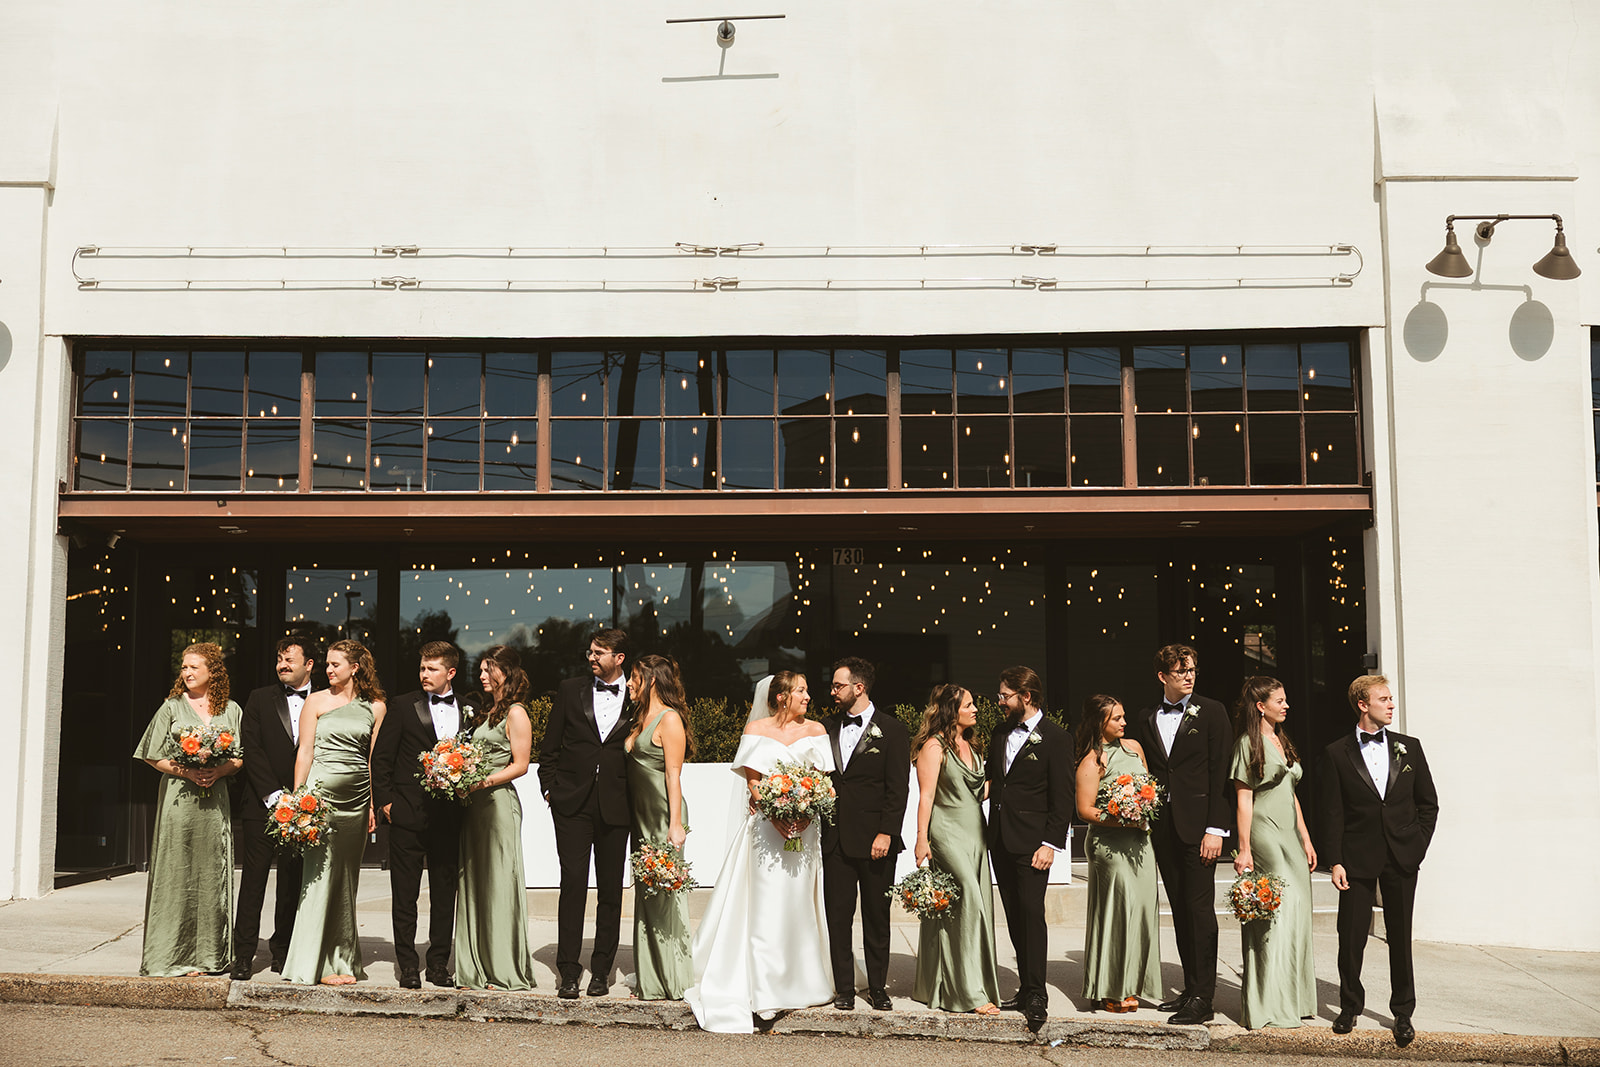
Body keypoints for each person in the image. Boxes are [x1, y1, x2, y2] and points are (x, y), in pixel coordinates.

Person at [684, 672, 835, 1033]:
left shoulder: (815, 731)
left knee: (798, 901)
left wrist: (803, 811)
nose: (808, 696)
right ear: (781, 696)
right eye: (801, 690)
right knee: (766, 902)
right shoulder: (756, 731)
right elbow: (753, 782)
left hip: (804, 830)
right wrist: (774, 812)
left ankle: (800, 978)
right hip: (767, 830)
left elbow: (823, 782)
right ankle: (763, 984)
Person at [1319, 674, 1438, 1049]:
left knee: (1400, 937)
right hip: (1356, 858)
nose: (1391, 704)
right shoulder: (1336, 753)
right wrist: (1335, 860)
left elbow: (1428, 804)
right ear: (1362, 704)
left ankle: (1403, 1012)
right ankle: (1349, 1005)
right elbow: (1332, 813)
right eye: (1383, 699)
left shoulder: (1410, 748)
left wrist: (1417, 846)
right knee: (1350, 937)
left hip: (1402, 856)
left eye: (1390, 698)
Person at [1126, 643, 1232, 1025]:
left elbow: (1221, 773)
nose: (1188, 676)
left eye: (1192, 670)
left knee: (1200, 911)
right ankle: (1190, 988)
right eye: (1180, 671)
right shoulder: (1145, 717)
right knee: (1181, 911)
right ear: (1162, 676)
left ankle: (1204, 997)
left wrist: (1216, 828)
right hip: (1163, 828)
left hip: (1201, 827)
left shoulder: (1213, 711)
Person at [371, 640, 480, 989]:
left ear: (450, 672)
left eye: (432, 669)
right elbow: (382, 757)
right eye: (422, 668)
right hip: (406, 813)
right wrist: (386, 804)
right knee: (405, 894)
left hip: (450, 816)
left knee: (445, 893)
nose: (424, 674)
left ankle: (438, 965)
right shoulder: (402, 705)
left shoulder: (469, 708)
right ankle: (407, 965)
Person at [133, 642, 244, 977]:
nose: (187, 673)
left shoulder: (231, 710)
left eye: (194, 667)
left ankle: (209, 956)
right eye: (184, 667)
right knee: (176, 871)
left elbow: (239, 757)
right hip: (179, 802)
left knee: (211, 874)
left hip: (214, 805)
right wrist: (187, 771)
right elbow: (152, 754)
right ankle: (169, 956)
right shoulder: (170, 708)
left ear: (213, 671)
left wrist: (220, 770)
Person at [280, 639, 386, 985]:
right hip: (320, 799)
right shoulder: (316, 701)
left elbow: (372, 760)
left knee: (346, 880)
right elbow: (305, 752)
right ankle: (315, 962)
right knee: (320, 876)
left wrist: (371, 805)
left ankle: (342, 959)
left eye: (336, 664)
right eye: (326, 664)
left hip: (356, 802)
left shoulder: (377, 706)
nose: (328, 670)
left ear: (355, 668)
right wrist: (298, 801)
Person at [538, 628, 634, 999]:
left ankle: (601, 971)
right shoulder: (569, 689)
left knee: (611, 890)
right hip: (571, 804)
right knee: (572, 884)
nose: (591, 658)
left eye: (599, 653)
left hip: (617, 804)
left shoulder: (639, 695)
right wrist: (550, 788)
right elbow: (551, 746)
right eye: (590, 652)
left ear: (619, 658)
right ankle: (567, 970)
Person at [985, 665, 1073, 1033]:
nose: (1000, 702)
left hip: (1034, 843)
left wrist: (1051, 843)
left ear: (1027, 697)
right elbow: (993, 780)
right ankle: (1023, 986)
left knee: (1032, 915)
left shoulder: (1056, 737)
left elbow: (1063, 796)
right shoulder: (1000, 731)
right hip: (1001, 839)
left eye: (1005, 696)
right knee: (1015, 916)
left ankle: (1037, 993)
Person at [822, 657, 910, 1011]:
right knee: (838, 917)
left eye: (837, 685)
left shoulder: (892, 729)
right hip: (834, 840)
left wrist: (887, 832)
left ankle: (877, 987)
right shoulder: (825, 727)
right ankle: (844, 988)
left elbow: (897, 788)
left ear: (859, 688)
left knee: (877, 916)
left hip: (876, 840)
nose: (832, 691)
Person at [1230, 676, 1317, 1029]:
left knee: (1298, 914)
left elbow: (1291, 794)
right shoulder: (1246, 744)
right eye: (1279, 701)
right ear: (1260, 706)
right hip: (1265, 833)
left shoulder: (1281, 740)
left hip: (1290, 835)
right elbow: (1243, 799)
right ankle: (1268, 1003)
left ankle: (1293, 999)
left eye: (1285, 700)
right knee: (1276, 916)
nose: (1286, 705)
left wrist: (1307, 839)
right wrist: (1245, 848)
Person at [909, 684, 1000, 1015]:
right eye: (970, 704)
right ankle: (968, 992)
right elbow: (927, 796)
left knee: (957, 910)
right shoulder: (934, 747)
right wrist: (922, 838)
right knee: (968, 905)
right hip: (946, 833)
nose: (976, 709)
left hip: (975, 833)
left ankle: (938, 983)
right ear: (951, 710)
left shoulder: (972, 745)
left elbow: (977, 792)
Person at [233, 636, 317, 981]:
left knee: (293, 882)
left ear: (309, 664)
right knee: (253, 882)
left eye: (289, 660)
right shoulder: (258, 698)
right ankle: (243, 955)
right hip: (261, 804)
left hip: (305, 806)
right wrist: (274, 797)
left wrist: (302, 800)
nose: (282, 665)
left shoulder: (327, 701)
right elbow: (251, 749)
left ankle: (283, 950)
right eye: (279, 660)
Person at [454, 644, 536, 991]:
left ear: (507, 672)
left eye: (489, 670)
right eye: (482, 670)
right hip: (474, 806)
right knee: (476, 881)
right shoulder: (487, 712)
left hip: (498, 805)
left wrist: (481, 781)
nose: (483, 676)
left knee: (498, 882)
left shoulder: (516, 713)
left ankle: (502, 967)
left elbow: (521, 765)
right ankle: (477, 964)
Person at [1074, 693, 1160, 1014]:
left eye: (1124, 717)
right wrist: (1123, 817)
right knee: (1116, 911)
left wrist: (1145, 808)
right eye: (1116, 718)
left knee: (1139, 911)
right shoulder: (1092, 761)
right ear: (1100, 722)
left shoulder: (1135, 748)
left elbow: (1148, 788)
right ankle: (1109, 986)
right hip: (1110, 846)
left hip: (1140, 843)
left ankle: (1132, 983)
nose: (1124, 723)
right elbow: (1084, 810)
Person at [624, 654, 694, 1000]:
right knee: (647, 896)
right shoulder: (639, 716)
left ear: (651, 680)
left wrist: (676, 825)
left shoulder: (668, 719)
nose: (628, 684)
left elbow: (673, 774)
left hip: (663, 818)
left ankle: (670, 978)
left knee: (664, 897)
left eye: (634, 678)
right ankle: (650, 976)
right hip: (640, 818)